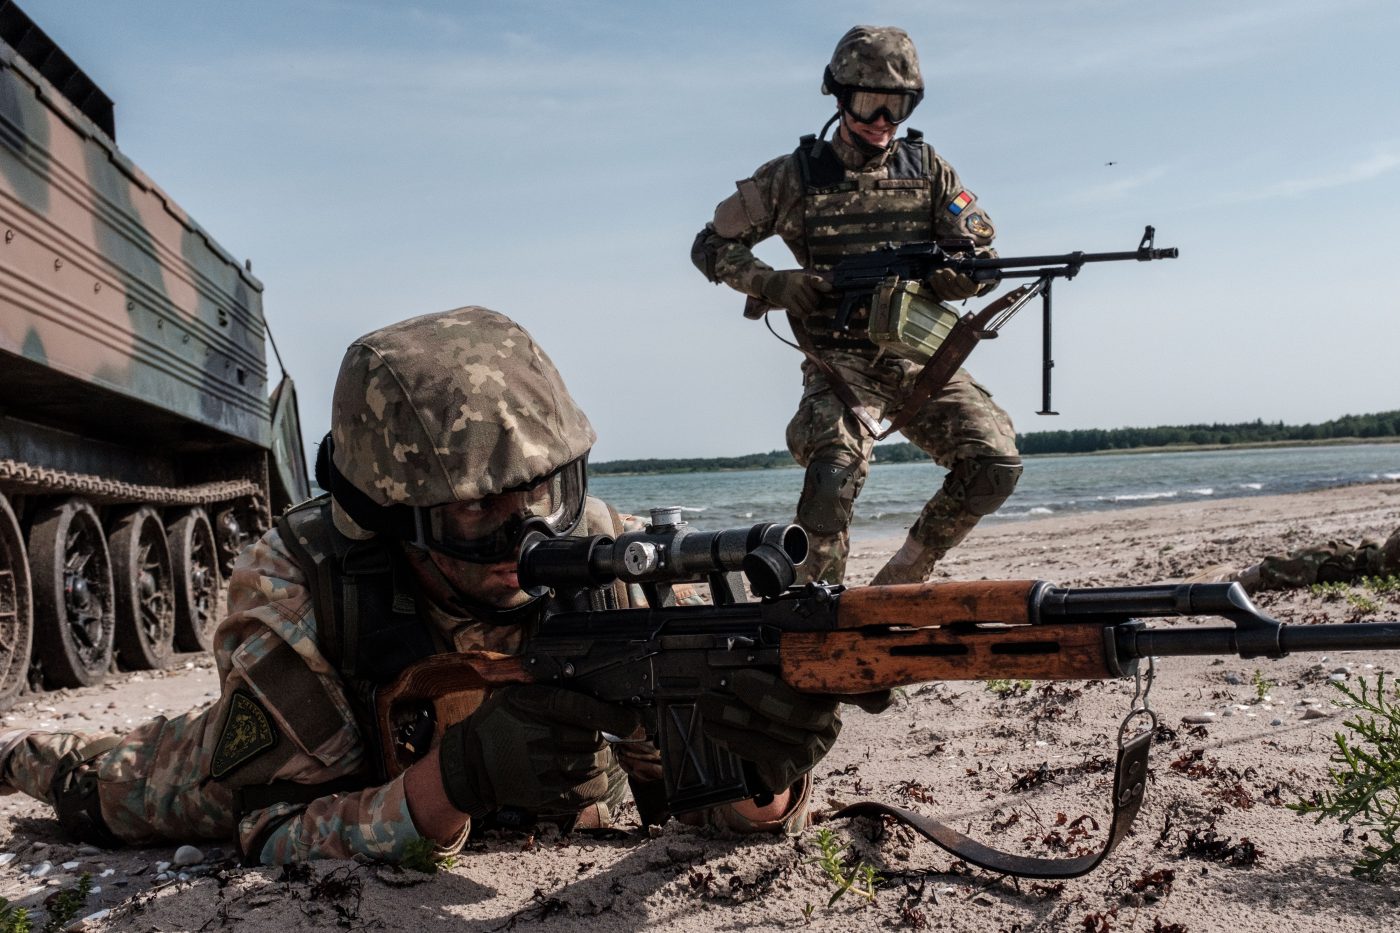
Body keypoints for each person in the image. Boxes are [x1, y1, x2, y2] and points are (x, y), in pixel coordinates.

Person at [0, 307, 846, 864]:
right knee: (112, 780)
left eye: (546, 490)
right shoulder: (301, 578)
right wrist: (454, 785)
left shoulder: (608, 556)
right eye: (477, 511)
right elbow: (273, 828)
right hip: (278, 759)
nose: (529, 535)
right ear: (388, 517)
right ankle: (17, 753)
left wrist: (759, 783)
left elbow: (704, 806)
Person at [690, 25, 1022, 587]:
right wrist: (773, 283)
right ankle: (814, 603)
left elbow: (983, 257)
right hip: (839, 360)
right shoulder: (793, 177)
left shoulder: (928, 170)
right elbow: (709, 245)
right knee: (832, 476)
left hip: (918, 354)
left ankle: (903, 576)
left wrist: (956, 280)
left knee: (995, 463)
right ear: (840, 97)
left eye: (897, 106)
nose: (881, 120)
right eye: (869, 103)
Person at [1191, 526, 1400, 592]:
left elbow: (1383, 563)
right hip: (1353, 561)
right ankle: (1232, 579)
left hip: (1347, 567)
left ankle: (1227, 582)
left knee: (1307, 560)